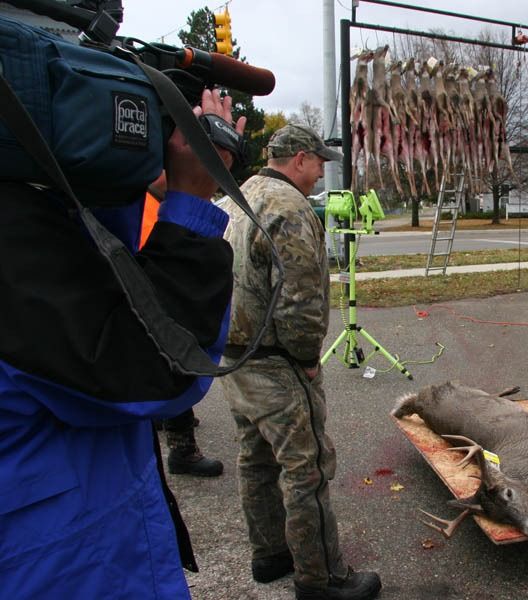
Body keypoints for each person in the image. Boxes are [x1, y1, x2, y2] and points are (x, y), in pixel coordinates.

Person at [0, 87, 245, 599]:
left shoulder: (32, 210)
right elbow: (158, 363)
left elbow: (99, 285)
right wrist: (191, 200)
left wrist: (122, 177)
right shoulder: (15, 227)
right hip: (64, 566)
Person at [220, 123, 382, 600]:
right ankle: (321, 578)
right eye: (318, 164)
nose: (319, 175)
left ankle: (269, 553)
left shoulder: (236, 196)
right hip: (277, 364)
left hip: (235, 358)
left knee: (254, 458)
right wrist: (307, 356)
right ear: (299, 159)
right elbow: (301, 296)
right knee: (305, 470)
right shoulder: (288, 207)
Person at [143, 174, 224, 477]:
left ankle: (165, 419)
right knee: (176, 364)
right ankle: (183, 450)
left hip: (148, 301)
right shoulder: (149, 206)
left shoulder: (144, 202)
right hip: (156, 306)